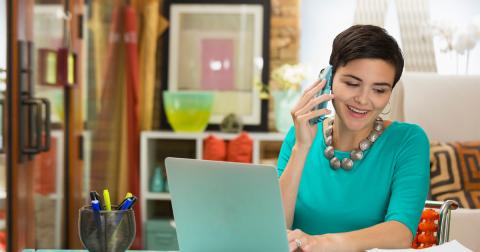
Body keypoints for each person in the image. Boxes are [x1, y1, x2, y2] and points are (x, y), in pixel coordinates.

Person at [277, 25, 430, 251]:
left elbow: (400, 234)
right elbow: (274, 229)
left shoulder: (408, 141)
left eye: (379, 90)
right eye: (352, 83)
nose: (363, 100)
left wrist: (319, 242)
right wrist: (302, 147)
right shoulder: (300, 135)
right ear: (328, 80)